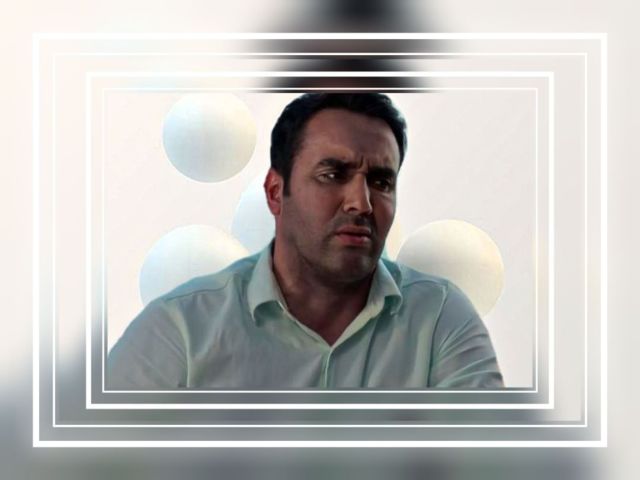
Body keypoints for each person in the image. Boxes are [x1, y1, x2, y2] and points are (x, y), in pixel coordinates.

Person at [107, 93, 503, 389]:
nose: (361, 202)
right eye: (332, 175)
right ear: (275, 192)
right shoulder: (181, 328)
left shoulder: (439, 318)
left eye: (381, 182)